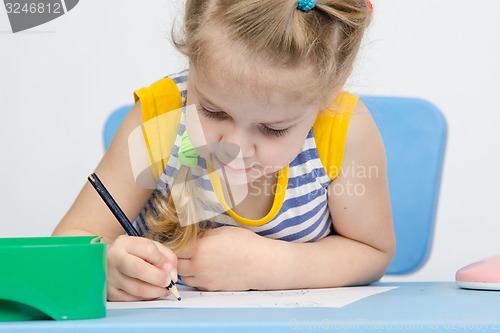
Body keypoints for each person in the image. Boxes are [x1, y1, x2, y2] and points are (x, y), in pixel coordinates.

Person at [53, 0, 395, 302]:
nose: (235, 148)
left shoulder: (345, 130)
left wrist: (273, 266)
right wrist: (104, 266)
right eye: (214, 112)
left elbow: (373, 252)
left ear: (333, 89)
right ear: (192, 62)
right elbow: (69, 242)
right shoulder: (162, 119)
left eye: (273, 128)